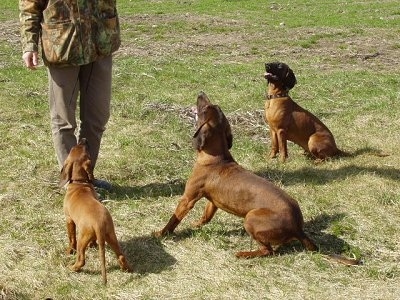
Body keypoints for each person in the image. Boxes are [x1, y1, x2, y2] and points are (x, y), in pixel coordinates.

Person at [19, 0, 121, 190]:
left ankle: (85, 175)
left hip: (100, 41)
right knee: (63, 120)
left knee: (97, 117)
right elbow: (29, 6)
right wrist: (29, 45)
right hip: (62, 45)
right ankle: (73, 182)